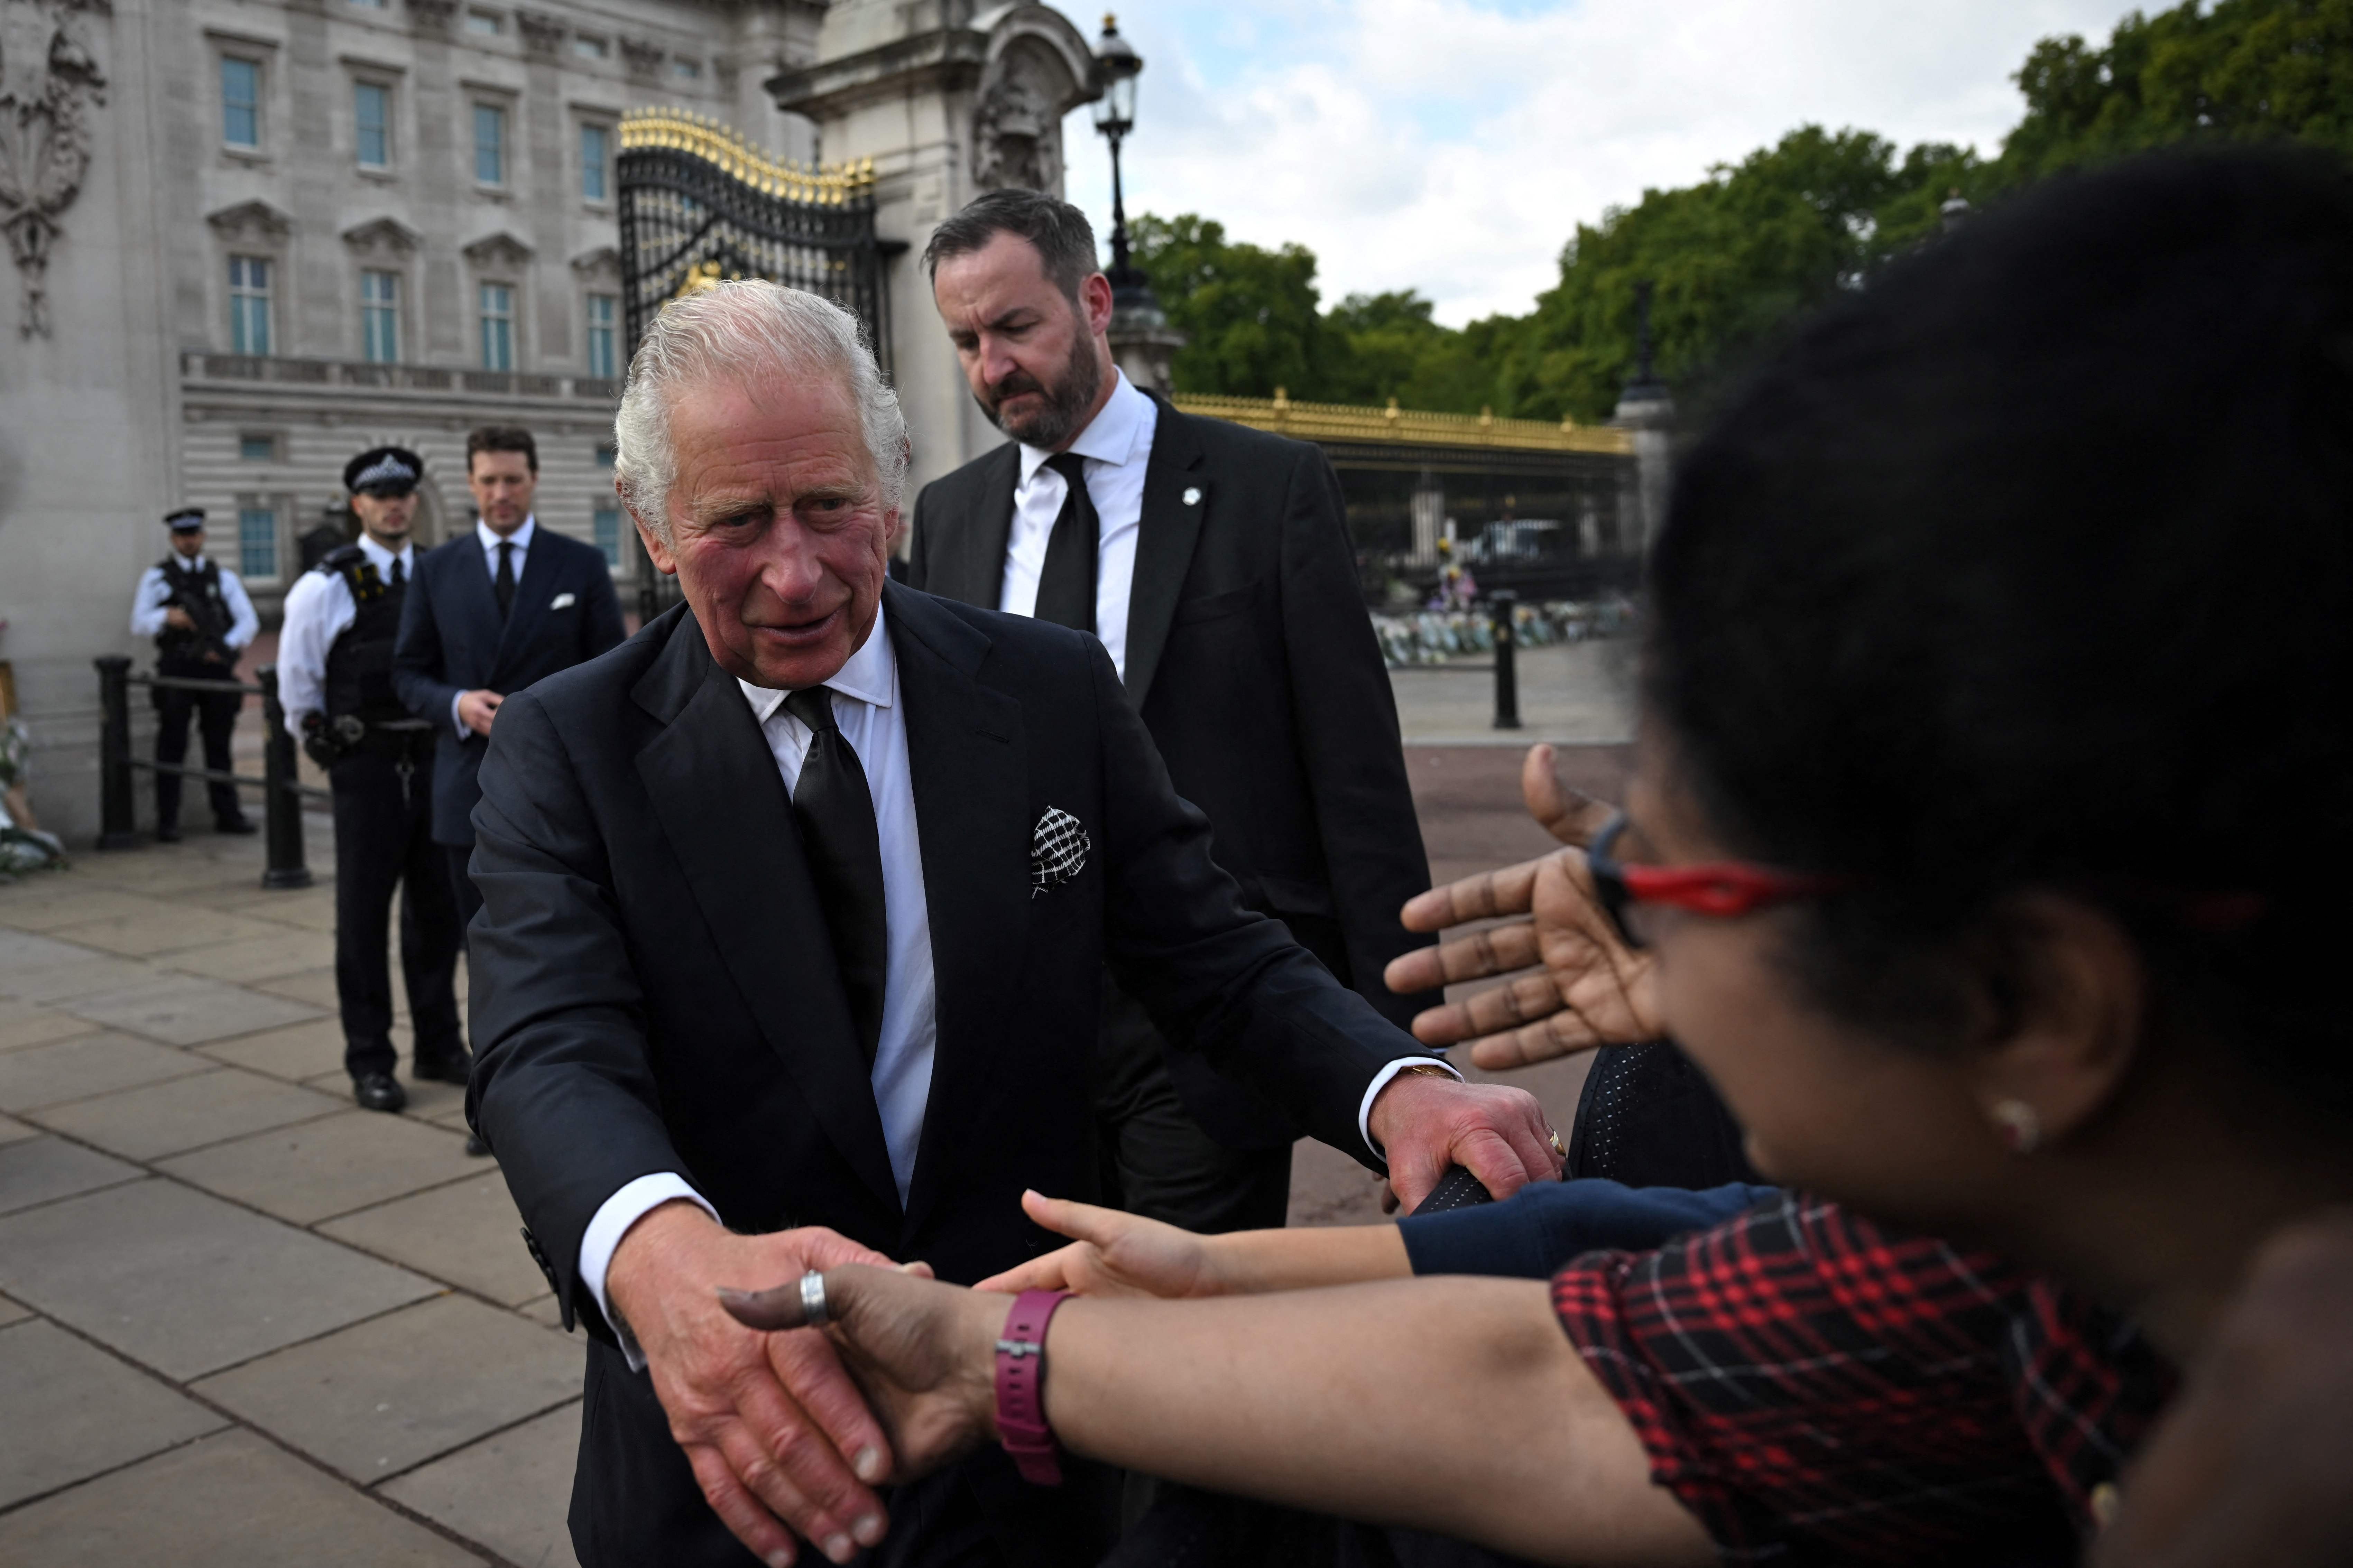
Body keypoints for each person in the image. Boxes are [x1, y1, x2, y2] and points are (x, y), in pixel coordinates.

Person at [716, 148, 2353, 1566]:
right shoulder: (2043, 1253)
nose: (1632, 933)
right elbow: (1599, 1323)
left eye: (1682, 875)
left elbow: (1575, 1357)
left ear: (2035, 1005)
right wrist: (1145, 1298)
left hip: (1224, 1004)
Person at [462, 280, 1561, 1568]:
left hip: (1015, 1432)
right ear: (651, 525)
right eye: (735, 523)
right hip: (734, 1435)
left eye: (829, 508)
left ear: (892, 487)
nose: (796, 569)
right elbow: (546, 1047)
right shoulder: (565, 745)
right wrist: (656, 1254)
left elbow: (1210, 948)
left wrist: (1397, 1085)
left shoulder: (1043, 688)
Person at [908, 191, 1439, 1236]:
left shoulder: (1266, 484)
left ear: (1094, 301)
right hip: (1025, 1030)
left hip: (1213, 1015)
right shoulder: (951, 514)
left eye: (1017, 327)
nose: (991, 367)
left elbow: (1356, 774)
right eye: (966, 339)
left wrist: (1401, 1058)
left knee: (1201, 1354)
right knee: (1053, 1345)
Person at [278, 448, 467, 1117]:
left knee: (436, 913)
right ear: (358, 503)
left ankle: (440, 1043)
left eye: (403, 493)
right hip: (368, 768)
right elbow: (297, 684)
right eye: (379, 494)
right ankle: (370, 1058)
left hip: (434, 761)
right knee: (362, 919)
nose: (394, 504)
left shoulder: (438, 573)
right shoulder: (326, 585)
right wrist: (333, 754)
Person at [391, 425, 626, 935]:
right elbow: (408, 672)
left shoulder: (580, 564)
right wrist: (457, 705)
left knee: (567, 941)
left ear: (534, 479)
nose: (502, 494)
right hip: (465, 791)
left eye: (514, 480)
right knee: (481, 951)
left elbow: (612, 667)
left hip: (557, 789)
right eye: (490, 480)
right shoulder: (434, 570)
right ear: (471, 483)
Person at [128, 508, 259, 841]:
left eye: (194, 535)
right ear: (174, 539)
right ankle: (168, 820)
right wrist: (165, 618)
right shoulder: (158, 578)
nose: (189, 541)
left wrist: (224, 647)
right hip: (177, 668)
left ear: (202, 537)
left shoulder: (222, 577)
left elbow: (248, 620)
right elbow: (139, 622)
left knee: (219, 745)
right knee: (172, 744)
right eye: (183, 536)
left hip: (215, 670)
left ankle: (228, 814)